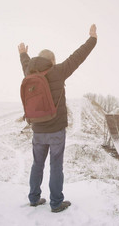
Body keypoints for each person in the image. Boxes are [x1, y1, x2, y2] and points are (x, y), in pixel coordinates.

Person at [18, 24, 97, 213]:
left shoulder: (30, 73)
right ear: (52, 61)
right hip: (56, 130)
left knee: (37, 164)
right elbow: (78, 57)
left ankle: (34, 198)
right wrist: (92, 38)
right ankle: (55, 203)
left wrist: (22, 53)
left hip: (37, 129)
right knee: (55, 166)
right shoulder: (58, 71)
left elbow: (26, 64)